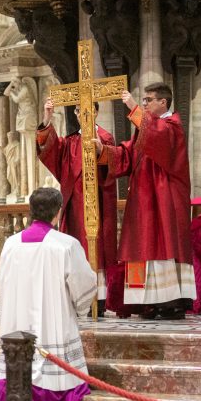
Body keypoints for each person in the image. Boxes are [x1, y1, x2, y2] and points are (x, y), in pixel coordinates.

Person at [0, 188, 96, 401]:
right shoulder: (66, 245)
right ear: (58, 213)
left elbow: (2, 282)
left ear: (31, 211)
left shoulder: (11, 244)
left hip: (16, 321)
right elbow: (84, 284)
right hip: (52, 324)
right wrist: (80, 309)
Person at [93, 83, 196, 319]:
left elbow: (158, 137)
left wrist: (133, 107)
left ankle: (171, 303)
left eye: (149, 100)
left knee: (162, 245)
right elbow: (127, 156)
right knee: (143, 247)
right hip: (144, 200)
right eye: (144, 100)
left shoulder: (172, 127)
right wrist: (103, 151)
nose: (145, 103)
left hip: (164, 201)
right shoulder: (146, 129)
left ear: (163, 102)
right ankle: (150, 302)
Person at [37, 98, 125, 317]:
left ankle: (99, 299)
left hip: (98, 205)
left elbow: (113, 167)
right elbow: (51, 151)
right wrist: (47, 118)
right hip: (75, 206)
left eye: (85, 109)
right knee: (75, 247)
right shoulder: (71, 141)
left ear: (95, 112)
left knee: (97, 248)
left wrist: (101, 150)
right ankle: (77, 297)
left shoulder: (104, 137)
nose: (80, 113)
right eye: (77, 110)